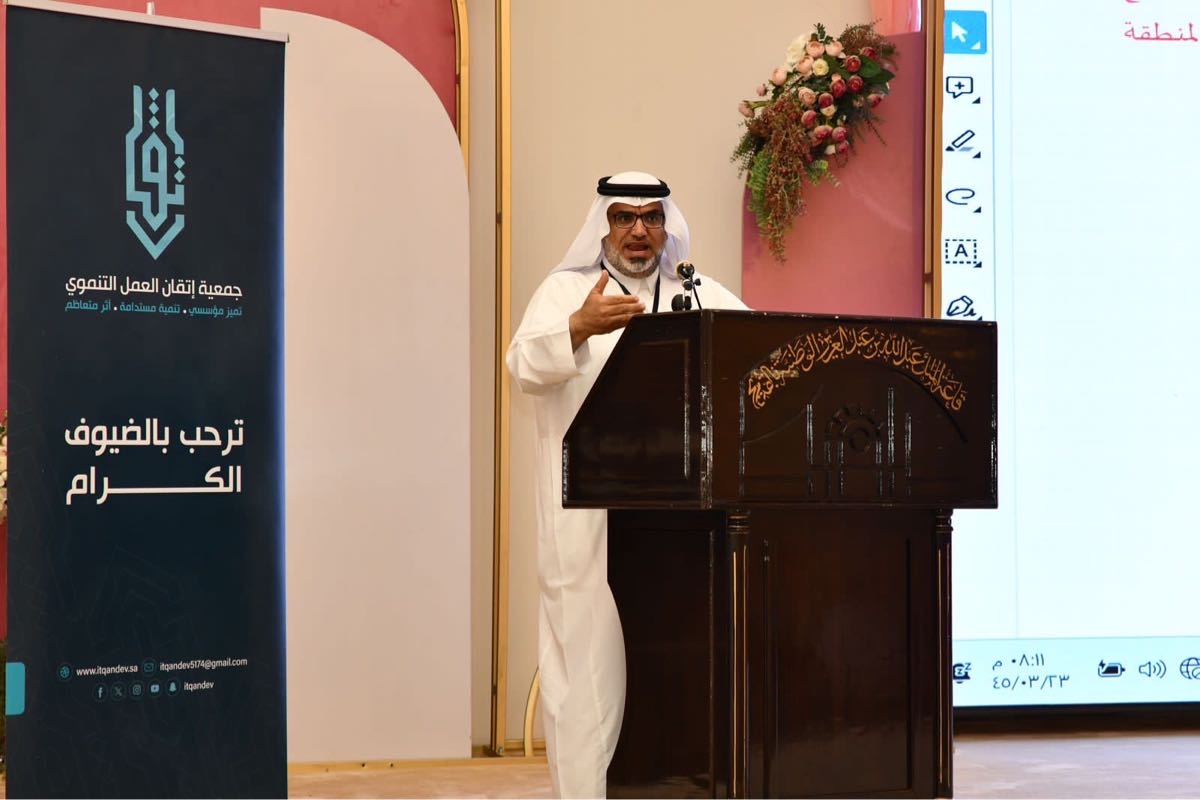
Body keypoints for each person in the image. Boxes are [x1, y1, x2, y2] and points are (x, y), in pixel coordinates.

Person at [506, 171, 748, 798]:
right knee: (584, 667)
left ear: (667, 226)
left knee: (680, 661)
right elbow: (522, 365)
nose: (639, 231)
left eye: (651, 217)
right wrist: (578, 327)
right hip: (588, 515)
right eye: (623, 217)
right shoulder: (566, 291)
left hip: (680, 520)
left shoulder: (694, 290)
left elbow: (756, 347)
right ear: (603, 227)